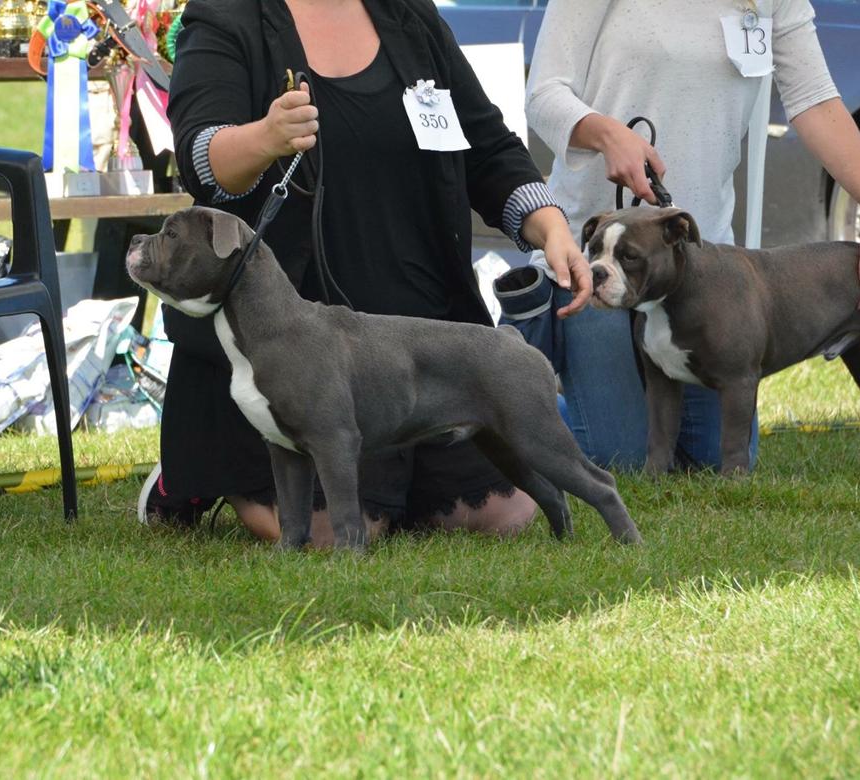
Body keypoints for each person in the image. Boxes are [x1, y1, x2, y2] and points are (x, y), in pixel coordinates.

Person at [140, 0, 592, 545]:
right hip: (288, 354)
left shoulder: (412, 17)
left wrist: (551, 228)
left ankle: (403, 479)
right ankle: (182, 481)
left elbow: (488, 145)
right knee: (331, 533)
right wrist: (264, 137)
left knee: (504, 517)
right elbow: (199, 155)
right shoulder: (227, 15)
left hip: (418, 351)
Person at [525, 0, 860, 472]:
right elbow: (544, 94)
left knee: (709, 458)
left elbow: (814, 99)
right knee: (624, 457)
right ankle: (536, 411)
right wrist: (605, 133)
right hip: (590, 259)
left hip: (697, 267)